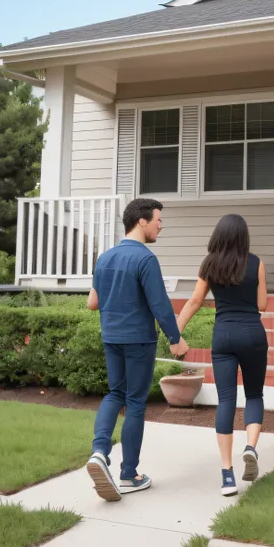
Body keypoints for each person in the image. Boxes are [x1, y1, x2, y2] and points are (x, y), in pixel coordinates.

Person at [85, 198, 189, 502]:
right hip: (139, 340)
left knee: (114, 394)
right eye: (158, 219)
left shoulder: (104, 258)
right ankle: (129, 474)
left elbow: (92, 303)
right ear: (141, 221)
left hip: (111, 337)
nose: (161, 225)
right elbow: (160, 305)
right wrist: (175, 338)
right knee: (135, 402)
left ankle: (99, 453)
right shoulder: (145, 259)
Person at [177, 213, 267, 497]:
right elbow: (262, 304)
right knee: (254, 395)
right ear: (244, 236)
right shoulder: (256, 263)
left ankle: (227, 475)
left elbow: (194, 301)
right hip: (253, 333)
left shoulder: (210, 264)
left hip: (224, 335)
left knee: (226, 399)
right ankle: (250, 447)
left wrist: (174, 333)